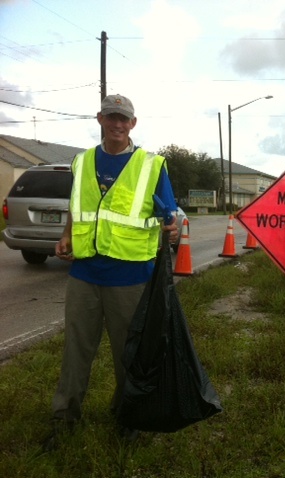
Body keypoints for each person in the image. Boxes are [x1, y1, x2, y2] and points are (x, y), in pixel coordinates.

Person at [42, 94, 179, 450]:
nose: (118, 124)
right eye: (111, 117)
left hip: (130, 277)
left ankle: (128, 417)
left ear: (133, 124)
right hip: (85, 274)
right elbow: (77, 204)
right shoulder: (83, 161)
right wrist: (67, 234)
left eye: (125, 119)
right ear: (100, 118)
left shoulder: (152, 165)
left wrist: (174, 228)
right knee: (75, 351)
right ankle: (64, 418)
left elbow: (170, 215)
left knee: (127, 354)